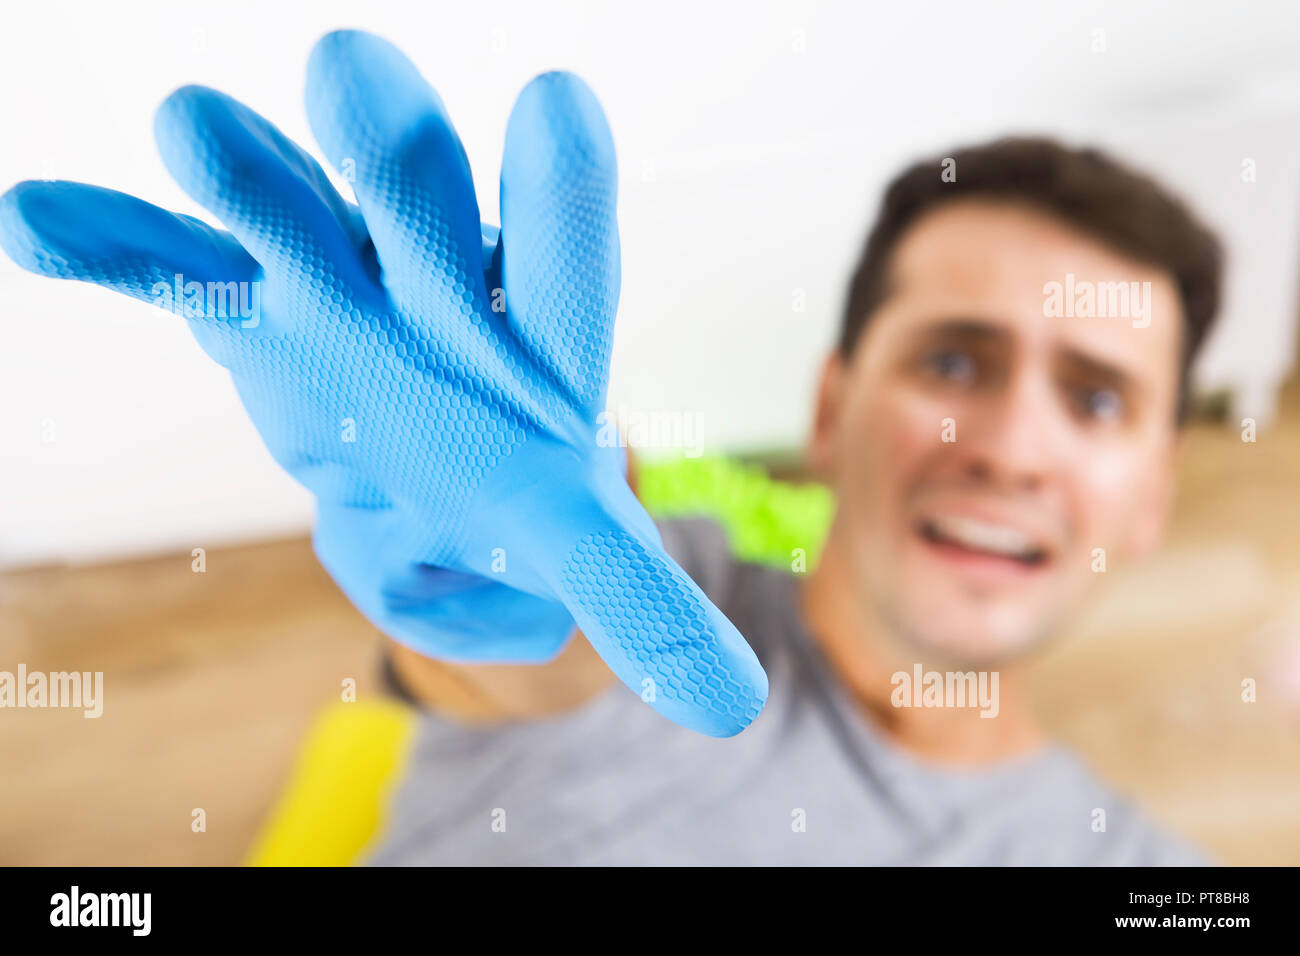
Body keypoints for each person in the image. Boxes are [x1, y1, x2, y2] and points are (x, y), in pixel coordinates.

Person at [0, 31, 1219, 865]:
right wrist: (491, 563)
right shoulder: (656, 601)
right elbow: (550, 644)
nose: (1007, 442)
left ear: (1154, 493)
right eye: (952, 361)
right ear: (832, 410)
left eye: (1099, 398)